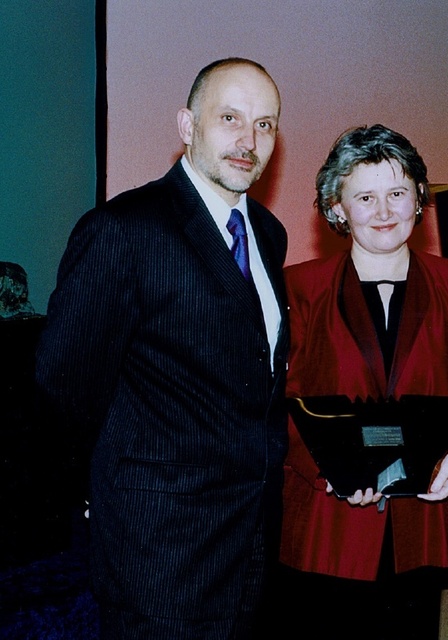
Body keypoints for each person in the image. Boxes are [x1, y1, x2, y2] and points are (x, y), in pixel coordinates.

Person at [36, 58, 288, 638]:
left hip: (250, 541)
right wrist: (109, 496)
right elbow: (62, 387)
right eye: (230, 118)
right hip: (158, 552)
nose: (249, 141)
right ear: (187, 125)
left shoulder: (268, 235)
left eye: (266, 125)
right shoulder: (123, 231)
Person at [277, 124, 448, 639]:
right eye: (365, 197)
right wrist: (332, 469)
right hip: (327, 519)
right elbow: (278, 402)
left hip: (420, 521)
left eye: (397, 193)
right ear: (338, 208)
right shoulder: (299, 287)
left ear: (419, 199)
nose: (383, 212)